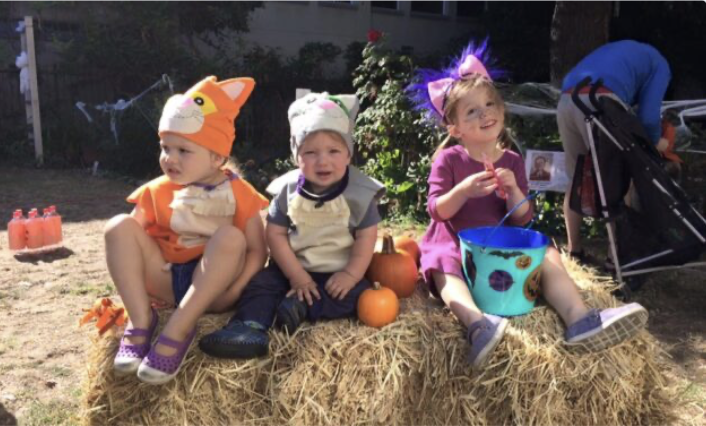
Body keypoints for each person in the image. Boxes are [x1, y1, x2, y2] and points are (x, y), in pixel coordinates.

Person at [408, 42, 649, 368]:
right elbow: (437, 210)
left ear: (502, 110)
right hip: (457, 241)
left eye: (490, 104)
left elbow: (522, 218)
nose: (485, 113)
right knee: (441, 265)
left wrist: (512, 191)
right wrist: (463, 191)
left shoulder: (511, 159)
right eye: (472, 111)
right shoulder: (449, 160)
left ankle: (579, 318)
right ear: (455, 129)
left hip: (501, 241)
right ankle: (478, 325)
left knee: (547, 252)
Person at [104, 76, 269, 384]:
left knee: (230, 237)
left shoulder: (241, 194)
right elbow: (128, 245)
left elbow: (258, 250)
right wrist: (134, 288)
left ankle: (179, 328)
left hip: (215, 289)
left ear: (217, 157)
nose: (170, 158)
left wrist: (235, 291)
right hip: (166, 281)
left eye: (183, 150)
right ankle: (141, 319)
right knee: (118, 227)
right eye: (165, 147)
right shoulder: (155, 191)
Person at [198, 92, 386, 359]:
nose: (323, 161)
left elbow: (367, 238)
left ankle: (298, 308)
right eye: (310, 152)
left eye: (333, 151)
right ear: (296, 156)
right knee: (261, 284)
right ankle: (248, 327)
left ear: (348, 154)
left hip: (337, 272)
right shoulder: (287, 191)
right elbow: (275, 234)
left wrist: (351, 274)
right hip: (290, 267)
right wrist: (296, 276)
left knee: (359, 296)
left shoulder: (359, 193)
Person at [556, 40, 671, 261]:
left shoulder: (627, 52)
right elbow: (648, 117)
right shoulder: (661, 65)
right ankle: (615, 257)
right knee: (618, 179)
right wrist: (656, 143)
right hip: (601, 101)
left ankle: (574, 251)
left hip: (566, 100)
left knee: (576, 177)